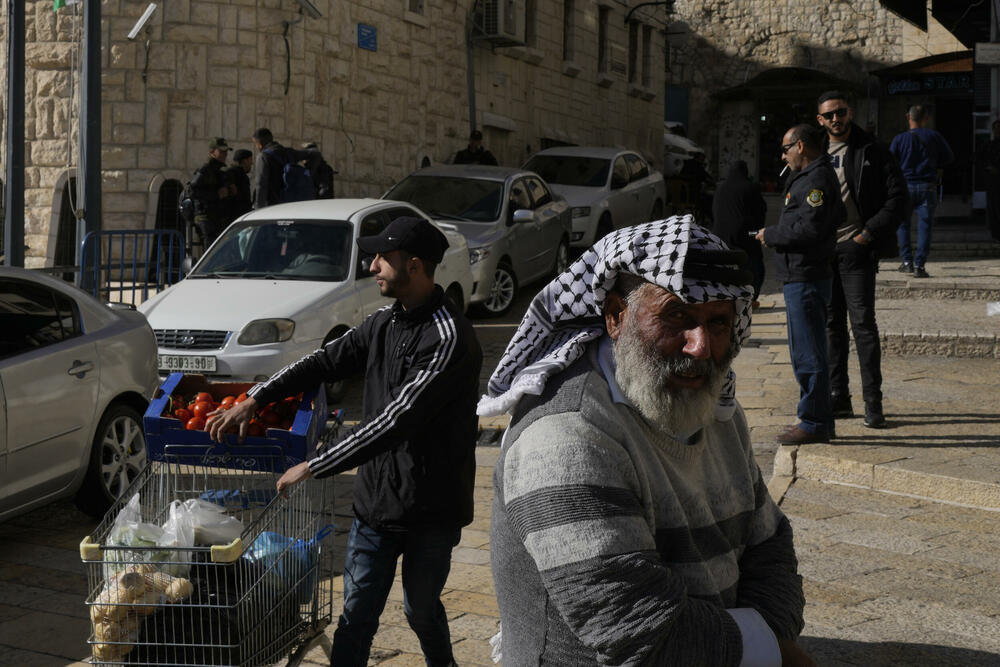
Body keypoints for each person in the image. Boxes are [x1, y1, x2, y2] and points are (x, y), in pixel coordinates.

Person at [479, 217, 813, 666]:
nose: (701, 347)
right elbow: (638, 628)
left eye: (718, 323)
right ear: (616, 316)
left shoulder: (712, 407)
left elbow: (769, 544)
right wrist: (771, 652)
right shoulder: (562, 435)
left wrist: (769, 639)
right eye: (677, 316)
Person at [208, 216, 481, 667]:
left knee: (421, 609)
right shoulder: (382, 323)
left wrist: (315, 464)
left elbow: (395, 421)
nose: (372, 265)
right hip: (376, 503)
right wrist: (255, 398)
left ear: (414, 266)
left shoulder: (449, 339)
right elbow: (321, 362)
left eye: (381, 258)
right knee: (355, 619)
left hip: (432, 508)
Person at [815, 90, 909, 429]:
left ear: (850, 112)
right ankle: (839, 399)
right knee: (831, 329)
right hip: (824, 255)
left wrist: (867, 234)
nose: (835, 119)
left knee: (863, 327)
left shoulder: (872, 149)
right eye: (829, 115)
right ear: (820, 120)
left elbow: (899, 199)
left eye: (840, 112)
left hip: (857, 252)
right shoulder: (814, 151)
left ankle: (874, 405)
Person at [756, 124, 843, 444]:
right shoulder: (812, 177)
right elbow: (836, 215)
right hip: (803, 273)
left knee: (808, 353)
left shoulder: (816, 179)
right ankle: (818, 418)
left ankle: (814, 421)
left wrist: (772, 235)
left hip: (806, 275)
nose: (783, 155)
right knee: (808, 350)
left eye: (786, 148)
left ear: (801, 146)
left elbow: (810, 229)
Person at [888, 104, 954, 277]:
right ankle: (920, 266)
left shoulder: (899, 139)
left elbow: (889, 163)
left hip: (905, 186)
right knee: (925, 227)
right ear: (926, 119)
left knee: (903, 225)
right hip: (928, 186)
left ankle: (907, 261)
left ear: (907, 117)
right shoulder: (934, 136)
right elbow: (949, 157)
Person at [711, 159, 767, 300]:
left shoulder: (720, 188)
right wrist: (757, 231)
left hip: (720, 235)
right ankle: (751, 297)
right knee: (755, 264)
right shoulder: (750, 187)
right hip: (745, 234)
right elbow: (761, 211)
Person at [251, 127, 321, 208]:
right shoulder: (289, 152)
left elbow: (261, 185)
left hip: (273, 206)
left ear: (259, 144)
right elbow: (316, 154)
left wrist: (259, 209)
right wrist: (308, 174)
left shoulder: (263, 157)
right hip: (291, 203)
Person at [190, 137, 236, 247]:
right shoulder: (205, 169)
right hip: (207, 216)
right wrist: (216, 195)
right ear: (212, 152)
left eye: (226, 151)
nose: (225, 154)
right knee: (211, 247)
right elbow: (193, 191)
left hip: (219, 216)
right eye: (221, 151)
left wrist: (230, 190)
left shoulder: (222, 170)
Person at [224, 148, 253, 222]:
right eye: (250, 160)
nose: (252, 163)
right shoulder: (238, 174)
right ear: (244, 161)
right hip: (236, 216)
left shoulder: (234, 173)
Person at [983, 120, 1000, 243]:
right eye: (996, 128)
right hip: (992, 182)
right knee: (993, 207)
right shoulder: (989, 145)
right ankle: (995, 233)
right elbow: (981, 159)